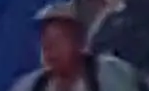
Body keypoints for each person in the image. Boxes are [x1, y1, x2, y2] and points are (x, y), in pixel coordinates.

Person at [9, 5, 138, 91]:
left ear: (79, 41)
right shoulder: (31, 85)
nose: (50, 48)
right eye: (45, 41)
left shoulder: (108, 73)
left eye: (58, 40)